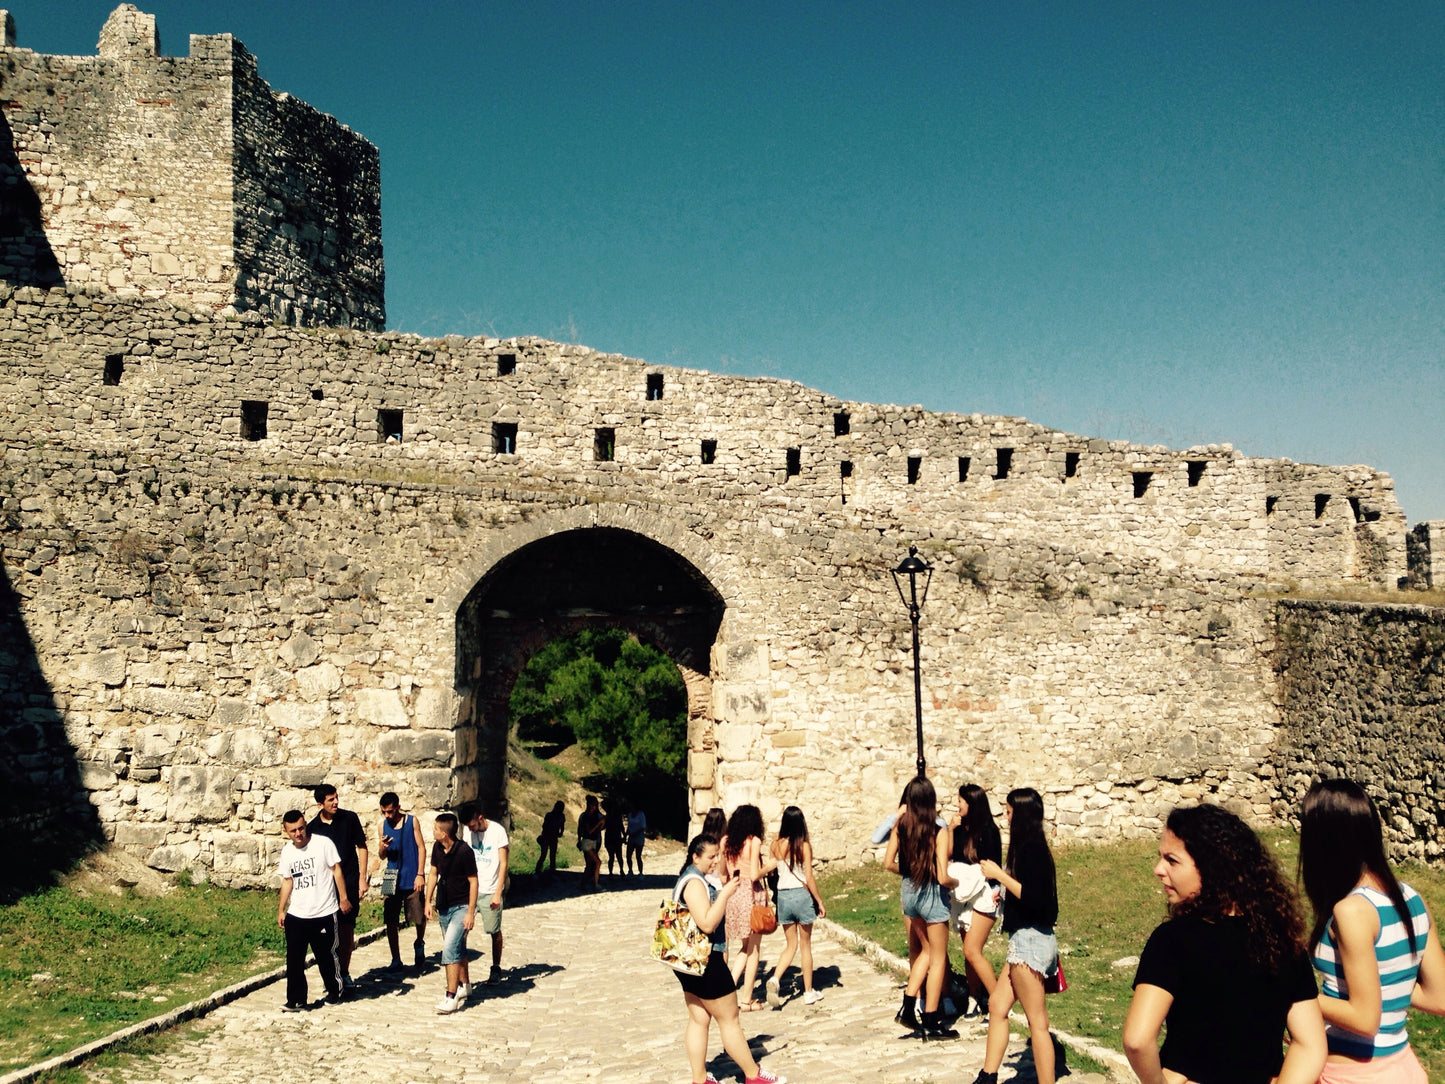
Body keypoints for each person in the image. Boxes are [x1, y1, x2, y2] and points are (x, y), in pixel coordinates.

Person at [1120, 803, 1326, 1084]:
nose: (1158, 869)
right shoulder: (1281, 939)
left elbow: (1137, 1039)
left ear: (1211, 866)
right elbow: (1310, 1044)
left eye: (1172, 860)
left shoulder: (1172, 940)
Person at [1301, 778, 1445, 1084]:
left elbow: (1365, 1020)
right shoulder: (1411, 897)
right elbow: (1439, 998)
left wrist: (1295, 996)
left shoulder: (1351, 911)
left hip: (1353, 1073)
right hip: (1402, 1068)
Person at [671, 833, 787, 1084]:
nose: (715, 862)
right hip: (705, 960)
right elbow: (707, 923)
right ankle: (753, 1075)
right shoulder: (693, 882)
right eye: (711, 857)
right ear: (695, 856)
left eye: (718, 856)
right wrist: (725, 895)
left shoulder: (690, 878)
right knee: (730, 1019)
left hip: (687, 961)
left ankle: (700, 1078)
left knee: (699, 1019)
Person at [975, 787, 1062, 1084]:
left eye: (1009, 811)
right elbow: (1027, 895)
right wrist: (1006, 896)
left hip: (1031, 943)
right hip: (1025, 940)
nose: (1006, 816)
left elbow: (1038, 899)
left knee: (1037, 1022)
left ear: (1021, 813)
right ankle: (987, 1076)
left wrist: (999, 875)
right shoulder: (1030, 847)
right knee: (997, 1005)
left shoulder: (1032, 850)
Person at [883, 776, 959, 1040]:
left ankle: (907, 1006)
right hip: (931, 896)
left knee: (925, 950)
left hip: (910, 893)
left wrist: (910, 871)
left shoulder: (901, 826)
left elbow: (888, 863)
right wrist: (956, 882)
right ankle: (931, 1018)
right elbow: (942, 875)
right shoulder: (939, 830)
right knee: (938, 957)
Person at [276, 809, 350, 1011]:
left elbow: (336, 870)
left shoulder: (323, 843)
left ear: (305, 824)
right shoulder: (287, 852)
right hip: (298, 914)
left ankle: (335, 991)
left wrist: (343, 898)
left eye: (301, 828)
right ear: (286, 831)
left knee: (326, 956)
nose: (298, 833)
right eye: (293, 831)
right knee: (294, 960)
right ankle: (296, 999)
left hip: (324, 911)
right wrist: (282, 909)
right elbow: (287, 881)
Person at [307, 783, 368, 986]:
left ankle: (344, 971)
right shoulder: (313, 828)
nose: (336, 802)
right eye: (330, 800)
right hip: (325, 885)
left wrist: (362, 879)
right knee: (326, 932)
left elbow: (362, 847)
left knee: (346, 927)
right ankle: (331, 975)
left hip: (349, 880)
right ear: (320, 804)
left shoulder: (349, 818)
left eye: (336, 798)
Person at [766, 806, 827, 1007]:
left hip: (784, 896)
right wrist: (818, 901)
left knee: (790, 945)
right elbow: (808, 876)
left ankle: (775, 978)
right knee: (805, 945)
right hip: (801, 896)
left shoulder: (775, 845)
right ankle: (808, 992)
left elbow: (772, 872)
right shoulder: (804, 846)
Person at [954, 782, 1003, 1018]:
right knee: (967, 950)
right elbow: (952, 858)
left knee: (973, 950)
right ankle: (974, 997)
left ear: (971, 804)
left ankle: (997, 1001)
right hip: (964, 894)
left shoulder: (989, 832)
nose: (957, 805)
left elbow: (993, 866)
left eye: (961, 801)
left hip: (985, 894)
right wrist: (952, 831)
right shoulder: (960, 829)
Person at [723, 803, 778, 1011]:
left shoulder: (726, 842)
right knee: (754, 949)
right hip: (750, 895)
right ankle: (746, 1000)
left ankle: (727, 989)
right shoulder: (753, 841)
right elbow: (755, 874)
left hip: (734, 892)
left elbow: (724, 873)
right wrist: (769, 867)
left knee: (745, 947)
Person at [425, 811, 478, 1014]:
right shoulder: (438, 848)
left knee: (449, 949)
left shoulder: (464, 852)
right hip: (444, 906)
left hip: (461, 906)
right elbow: (433, 873)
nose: (433, 831)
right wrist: (428, 901)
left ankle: (451, 996)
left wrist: (470, 912)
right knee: (457, 946)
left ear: (445, 833)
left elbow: (474, 881)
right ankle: (465, 985)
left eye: (436, 829)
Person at [460, 800, 510, 986]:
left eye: (472, 825)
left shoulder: (497, 831)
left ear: (480, 818)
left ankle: (496, 966)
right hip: (471, 889)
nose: (470, 830)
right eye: (467, 827)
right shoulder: (467, 831)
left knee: (493, 930)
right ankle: (461, 972)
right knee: (462, 930)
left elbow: (503, 863)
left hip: (490, 889)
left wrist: (498, 892)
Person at [377, 791, 426, 971]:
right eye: (384, 812)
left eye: (390, 811)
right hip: (391, 874)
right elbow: (381, 856)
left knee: (417, 915)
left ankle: (419, 942)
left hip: (412, 873)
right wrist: (383, 847)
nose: (387, 816)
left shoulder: (412, 821)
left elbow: (421, 847)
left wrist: (420, 873)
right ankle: (395, 958)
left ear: (398, 807)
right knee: (391, 917)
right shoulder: (382, 826)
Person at [577, 795, 604, 890]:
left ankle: (584, 884)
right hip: (588, 841)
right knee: (597, 862)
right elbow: (589, 831)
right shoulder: (586, 817)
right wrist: (599, 823)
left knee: (589, 865)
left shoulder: (588, 816)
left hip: (590, 841)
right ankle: (595, 884)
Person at [536, 801, 565, 876]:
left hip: (550, 836)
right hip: (548, 836)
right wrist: (560, 833)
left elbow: (544, 826)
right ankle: (549, 871)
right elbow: (561, 826)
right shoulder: (558, 816)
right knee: (549, 855)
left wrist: (560, 832)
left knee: (547, 855)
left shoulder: (551, 815)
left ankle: (540, 870)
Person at [604, 797, 625, 877]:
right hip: (616, 837)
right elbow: (621, 827)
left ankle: (611, 873)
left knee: (612, 857)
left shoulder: (608, 816)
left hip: (610, 837)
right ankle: (621, 870)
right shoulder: (617, 816)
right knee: (618, 856)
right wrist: (624, 836)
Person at [625, 803, 648, 876]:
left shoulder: (641, 814)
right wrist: (625, 836)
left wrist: (635, 833)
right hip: (631, 836)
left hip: (639, 836)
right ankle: (630, 870)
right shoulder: (630, 815)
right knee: (628, 855)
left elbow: (643, 826)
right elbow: (629, 826)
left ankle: (640, 872)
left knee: (638, 855)